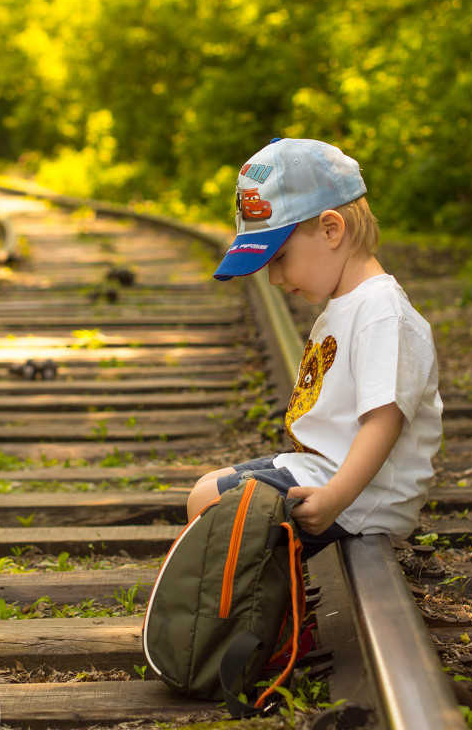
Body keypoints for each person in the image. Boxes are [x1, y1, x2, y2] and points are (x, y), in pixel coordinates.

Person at [187, 137, 443, 557]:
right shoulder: (347, 306)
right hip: (328, 472)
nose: (273, 279)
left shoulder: (382, 313)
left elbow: (384, 421)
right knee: (205, 489)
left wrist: (336, 497)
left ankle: (240, 617)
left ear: (330, 229)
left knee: (209, 501)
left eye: (280, 257)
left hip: (360, 494)